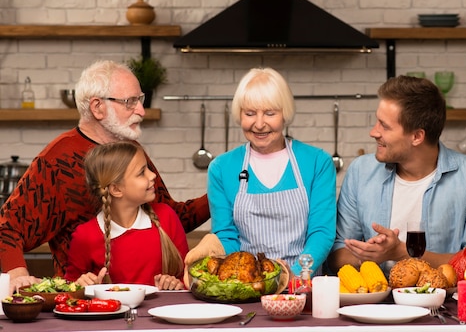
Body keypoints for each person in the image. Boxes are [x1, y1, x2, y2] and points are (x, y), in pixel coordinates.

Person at [0, 60, 209, 292]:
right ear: (98, 107)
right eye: (130, 102)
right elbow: (7, 228)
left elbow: (169, 217)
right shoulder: (57, 160)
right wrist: (19, 276)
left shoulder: (130, 151)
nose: (141, 110)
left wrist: (223, 191)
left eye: (140, 100)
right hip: (84, 300)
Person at [327, 75, 466, 275]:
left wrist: (401, 252)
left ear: (417, 136)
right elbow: (336, 252)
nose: (374, 132)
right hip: (374, 303)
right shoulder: (361, 171)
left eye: (384, 126)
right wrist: (368, 255)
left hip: (444, 303)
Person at [185, 67, 336, 276]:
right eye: (250, 113)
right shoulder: (221, 169)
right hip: (247, 283)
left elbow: (321, 233)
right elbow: (227, 235)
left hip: (302, 285)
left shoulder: (317, 162)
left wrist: (296, 274)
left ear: (285, 114)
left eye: (270, 113)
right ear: (240, 115)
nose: (259, 124)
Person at [65, 141, 188, 290]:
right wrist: (81, 284)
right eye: (142, 172)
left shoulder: (166, 216)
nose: (153, 175)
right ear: (116, 189)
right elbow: (69, 288)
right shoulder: (85, 236)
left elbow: (186, 278)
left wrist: (176, 283)